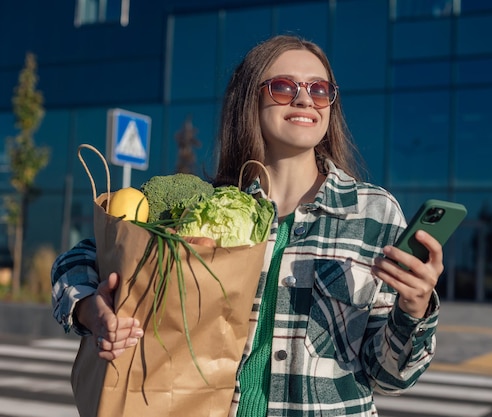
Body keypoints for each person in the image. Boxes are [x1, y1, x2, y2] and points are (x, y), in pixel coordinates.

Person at [51, 34, 444, 416]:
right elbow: (82, 258)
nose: (305, 99)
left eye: (320, 90)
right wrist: (90, 309)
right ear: (249, 100)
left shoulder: (374, 213)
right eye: (283, 87)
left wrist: (414, 308)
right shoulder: (209, 206)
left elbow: (390, 376)